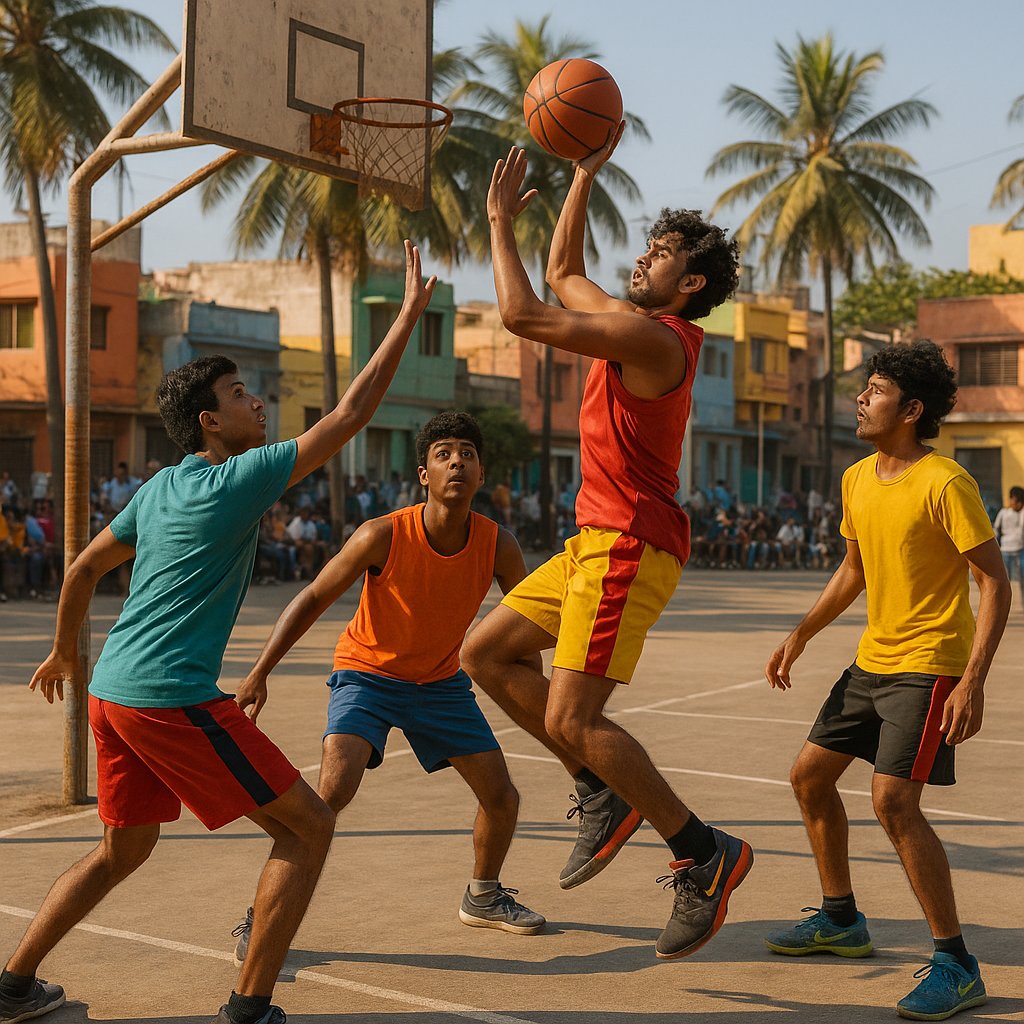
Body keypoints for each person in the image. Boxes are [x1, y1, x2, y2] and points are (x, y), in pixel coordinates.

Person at [1, 242, 436, 1024]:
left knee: (121, 850)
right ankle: (249, 1009)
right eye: (242, 394)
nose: (257, 402)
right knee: (308, 827)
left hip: (111, 696)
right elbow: (351, 415)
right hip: (168, 699)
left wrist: (68, 648)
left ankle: (12, 985)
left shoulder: (161, 485)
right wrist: (406, 314)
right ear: (211, 421)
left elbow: (79, 572)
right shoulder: (242, 475)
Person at [462, 138, 750, 961]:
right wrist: (583, 172)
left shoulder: (657, 342)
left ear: (688, 285)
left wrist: (495, 220)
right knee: (484, 654)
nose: (644, 258)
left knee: (571, 714)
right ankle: (598, 790)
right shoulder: (632, 324)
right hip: (594, 540)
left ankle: (704, 853)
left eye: (660, 255)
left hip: (630, 544)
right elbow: (561, 271)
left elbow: (522, 312)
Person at [229, 411, 544, 962]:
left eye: (467, 453)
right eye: (444, 453)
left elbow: (526, 625)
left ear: (481, 470)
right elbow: (311, 598)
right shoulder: (382, 533)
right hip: (367, 675)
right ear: (424, 474)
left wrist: (536, 698)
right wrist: (259, 670)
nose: (457, 463)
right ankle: (260, 917)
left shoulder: (499, 545)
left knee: (501, 795)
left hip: (441, 684)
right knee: (330, 795)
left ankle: (484, 896)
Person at [763, 341, 1010, 1022]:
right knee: (809, 778)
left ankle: (957, 964)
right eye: (865, 387)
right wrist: (802, 632)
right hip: (872, 662)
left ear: (911, 409)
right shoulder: (856, 478)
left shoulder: (946, 482)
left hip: (929, 667)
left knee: (894, 802)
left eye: (874, 389)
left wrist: (973, 681)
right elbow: (854, 568)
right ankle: (841, 919)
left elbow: (994, 581)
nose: (860, 399)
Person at [993, 486, 1024, 609]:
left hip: (1020, 550)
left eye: (1015, 501)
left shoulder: (1022, 513)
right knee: (1004, 581)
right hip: (1006, 550)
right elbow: (996, 529)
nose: (1012, 503)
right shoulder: (1004, 513)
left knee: (1023, 580)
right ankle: (1002, 606)